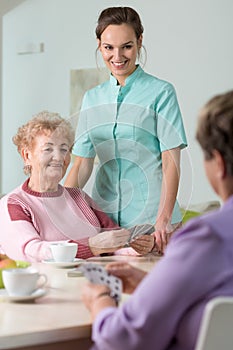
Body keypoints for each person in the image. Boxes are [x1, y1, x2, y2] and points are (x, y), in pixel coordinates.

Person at [81, 90, 233, 350]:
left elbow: (119, 339)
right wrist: (153, 285)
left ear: (218, 163)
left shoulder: (208, 237)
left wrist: (100, 298)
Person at [65, 6, 187, 253]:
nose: (117, 56)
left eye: (127, 46)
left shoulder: (161, 92)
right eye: (109, 47)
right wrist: (61, 209)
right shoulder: (92, 98)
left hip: (152, 219)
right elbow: (81, 164)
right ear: (99, 45)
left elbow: (170, 161)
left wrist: (163, 219)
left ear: (139, 42)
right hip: (104, 222)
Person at [0, 111, 154, 262]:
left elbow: (113, 240)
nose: (59, 157)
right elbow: (32, 251)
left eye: (64, 149)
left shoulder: (79, 197)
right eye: (48, 149)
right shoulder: (14, 203)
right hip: (49, 283)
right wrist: (92, 246)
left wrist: (136, 246)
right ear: (27, 156)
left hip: (92, 280)